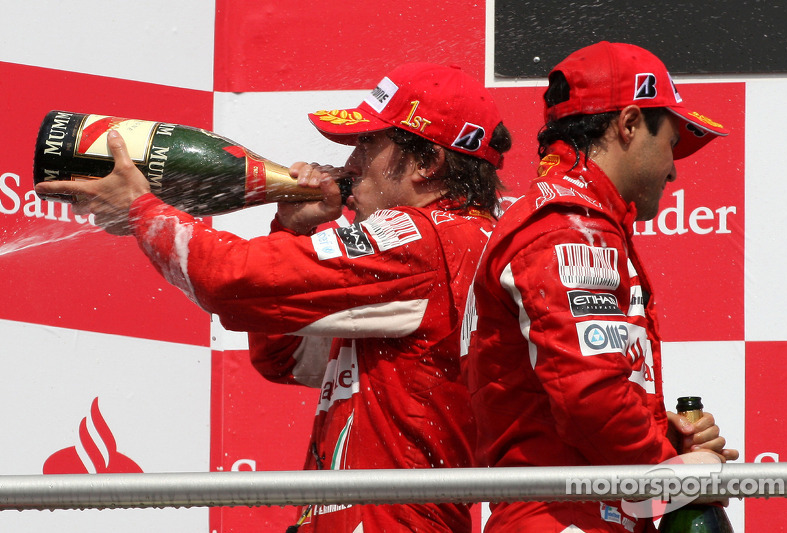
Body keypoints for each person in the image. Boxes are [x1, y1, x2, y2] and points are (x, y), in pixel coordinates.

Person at [35, 62, 511, 532]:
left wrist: (142, 211)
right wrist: (292, 228)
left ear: (428, 164)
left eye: (369, 144)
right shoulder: (455, 244)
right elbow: (286, 357)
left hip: (388, 522)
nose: (350, 165)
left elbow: (229, 280)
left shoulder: (428, 241)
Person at [465, 41, 739, 532]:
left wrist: (663, 438)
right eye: (671, 142)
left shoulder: (581, 220)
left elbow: (585, 389)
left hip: (591, 508)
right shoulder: (568, 226)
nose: (674, 168)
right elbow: (589, 398)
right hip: (564, 515)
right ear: (630, 124)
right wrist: (676, 474)